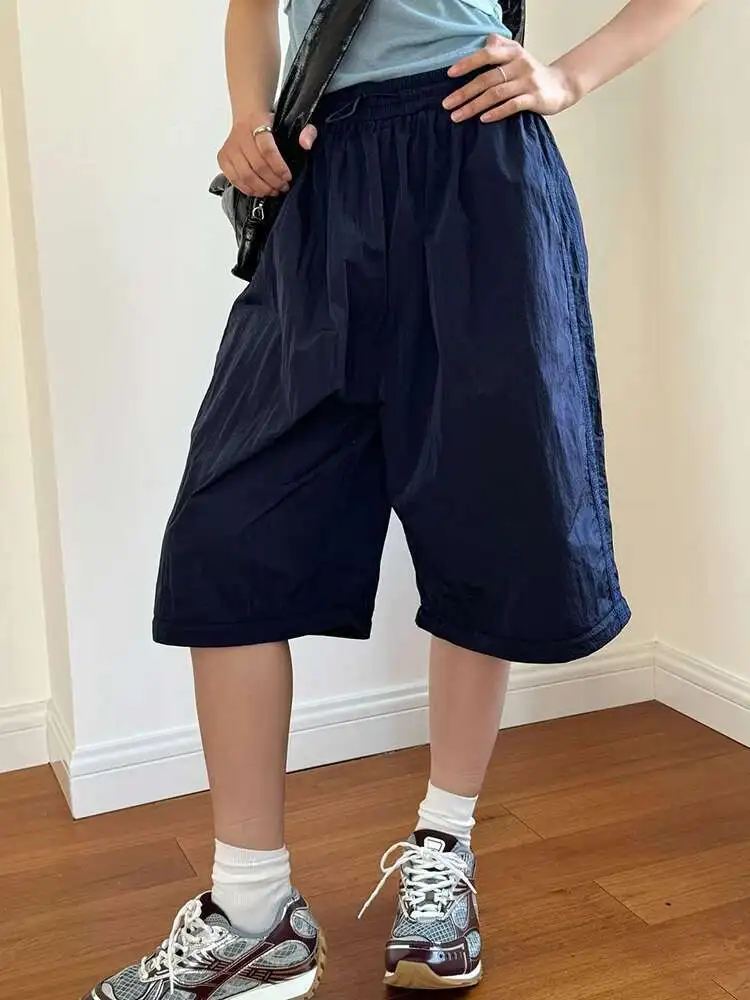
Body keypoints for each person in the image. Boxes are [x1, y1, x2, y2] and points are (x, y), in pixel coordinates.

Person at [84, 0, 706, 997]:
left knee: (481, 523)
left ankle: (444, 848)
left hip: (477, 161)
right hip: (324, 171)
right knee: (223, 535)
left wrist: (568, 76)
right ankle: (252, 910)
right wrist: (248, 114)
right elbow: (253, 6)